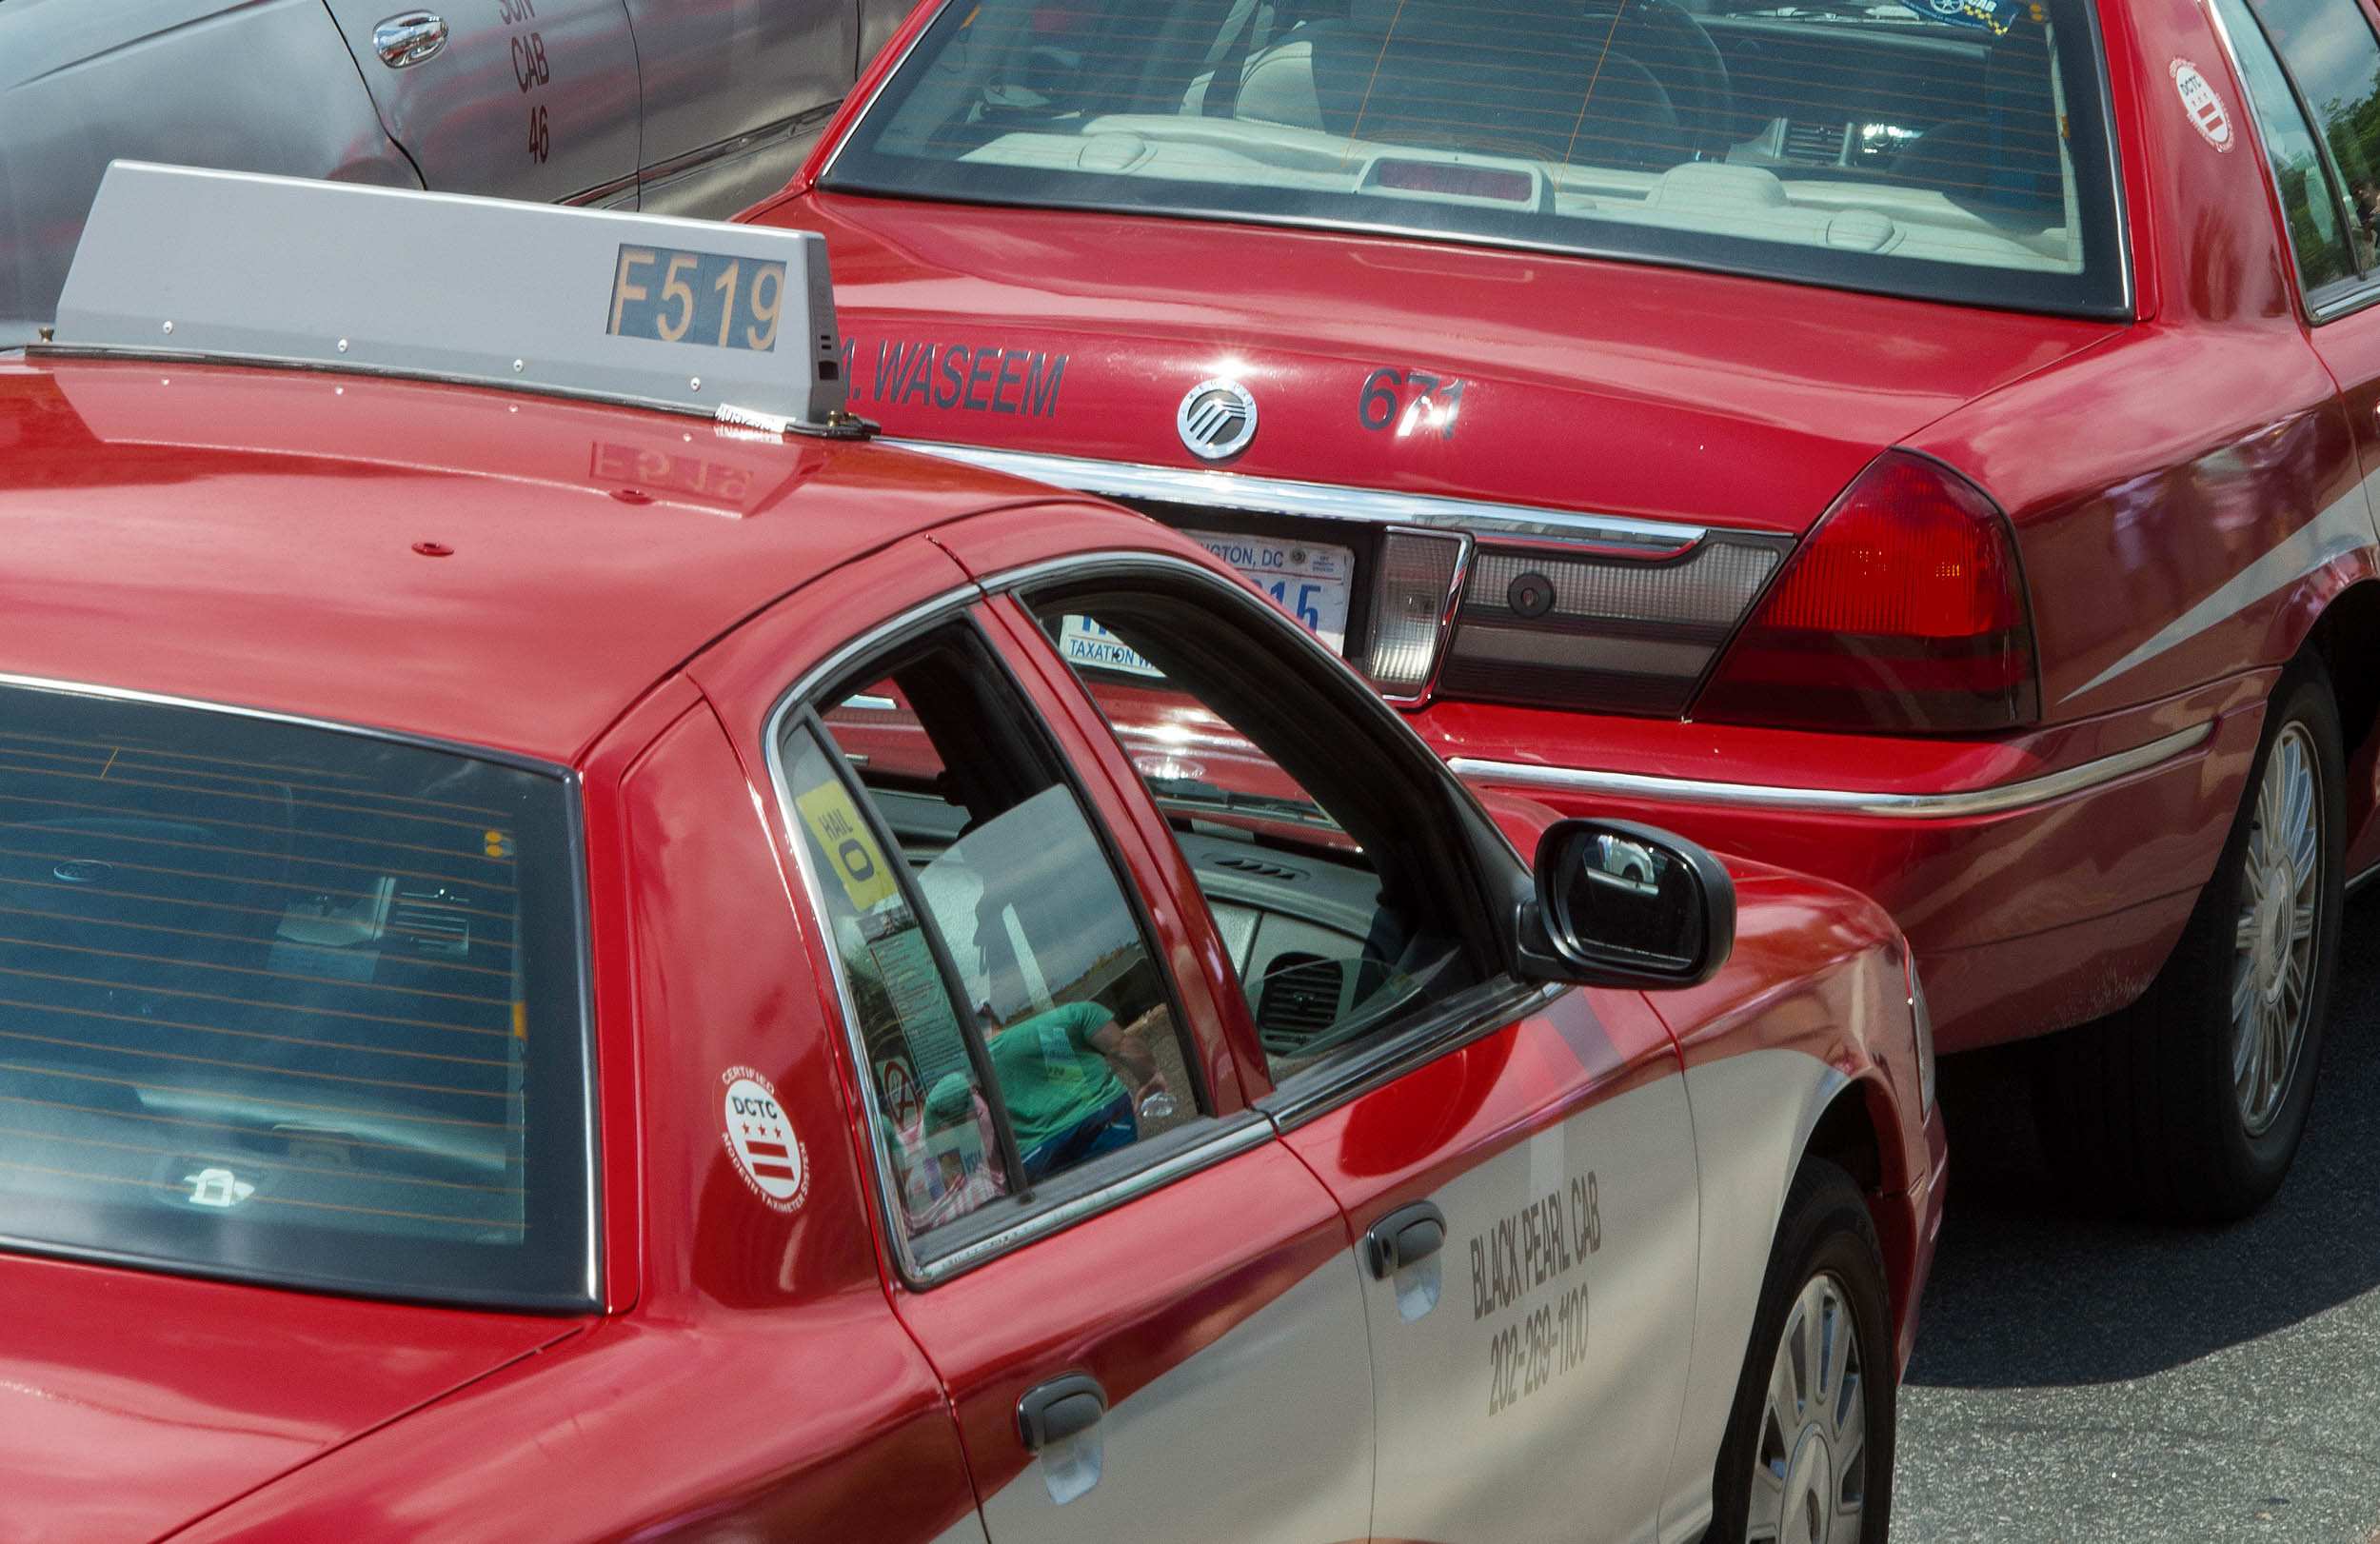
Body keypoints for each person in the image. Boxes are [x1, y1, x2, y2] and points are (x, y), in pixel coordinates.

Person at [926, 999, 1171, 1183]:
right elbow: (1122, 1046)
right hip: (1104, 1120)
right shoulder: (1065, 1019)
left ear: (962, 1032)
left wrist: (946, 1168)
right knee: (1132, 1188)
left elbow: (937, 1112)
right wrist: (1151, 1077)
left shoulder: (972, 1070)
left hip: (1040, 1155)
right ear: (990, 1011)